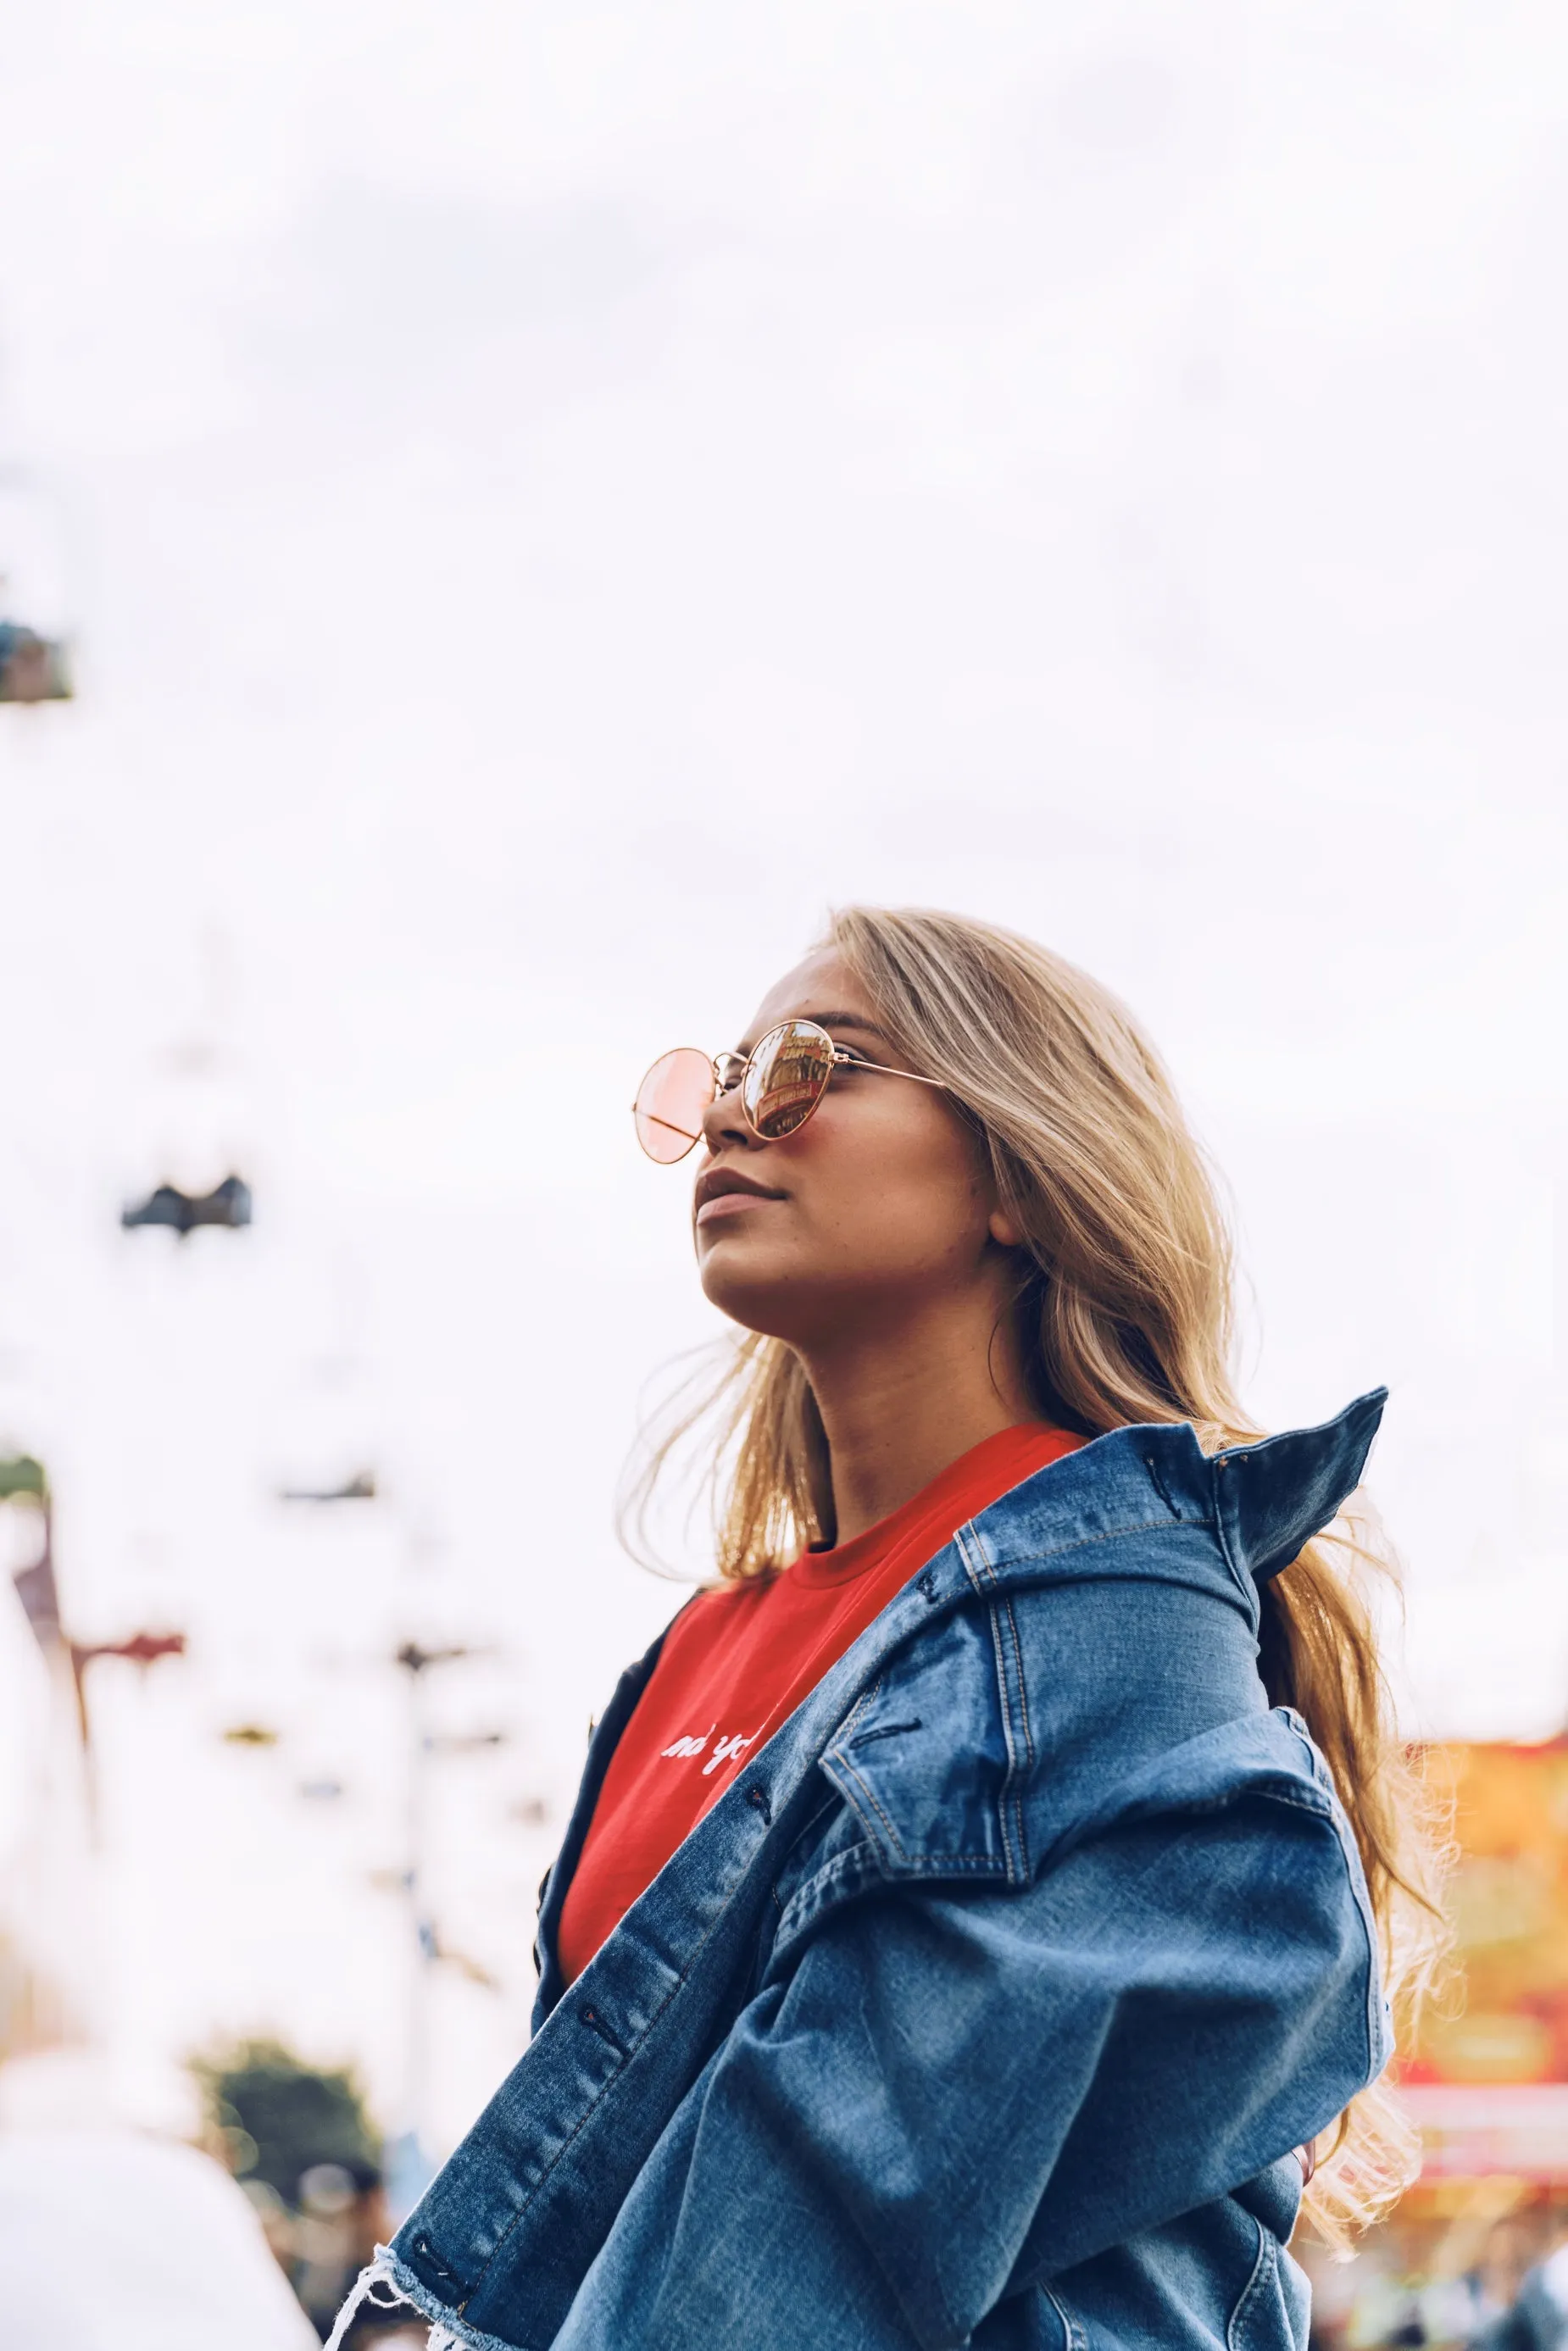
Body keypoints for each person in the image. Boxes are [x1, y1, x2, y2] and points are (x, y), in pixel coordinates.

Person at [331, 906, 1447, 2351]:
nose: (740, 1111)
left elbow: (809, 2229)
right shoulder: (691, 1651)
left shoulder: (1109, 1628)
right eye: (725, 1075)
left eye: (816, 1063)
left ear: (1020, 1176)